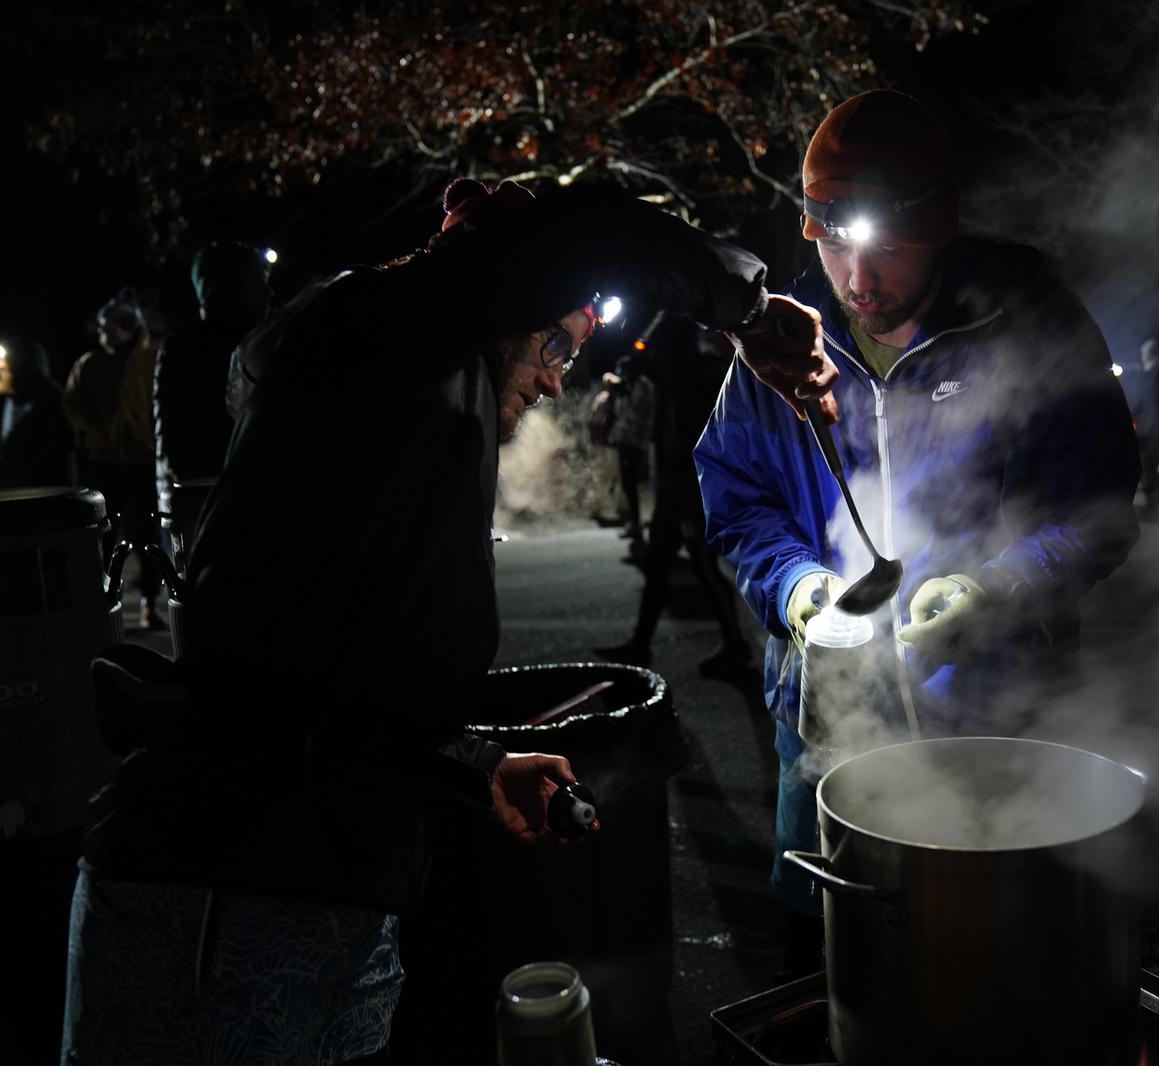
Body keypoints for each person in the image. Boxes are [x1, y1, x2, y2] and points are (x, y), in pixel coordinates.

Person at [62, 177, 836, 1066]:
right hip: (228, 894)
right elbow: (591, 225)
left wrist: (477, 767)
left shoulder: (403, 403)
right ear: (500, 291)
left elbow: (332, 683)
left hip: (317, 886)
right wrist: (745, 308)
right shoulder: (383, 326)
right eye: (557, 343)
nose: (555, 380)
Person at [693, 90, 1141, 971]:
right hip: (826, 734)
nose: (858, 282)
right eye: (833, 248)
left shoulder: (1028, 322)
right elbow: (738, 499)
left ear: (937, 228)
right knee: (838, 973)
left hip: (1002, 724)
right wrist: (798, 590)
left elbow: (1098, 507)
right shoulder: (783, 341)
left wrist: (1001, 587)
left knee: (1005, 975)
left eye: (888, 251)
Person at [597, 313, 753, 675]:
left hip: (692, 485)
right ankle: (642, 644)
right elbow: (634, 358)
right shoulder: (678, 371)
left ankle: (736, 644)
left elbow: (640, 355)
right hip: (676, 482)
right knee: (660, 562)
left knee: (701, 562)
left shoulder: (697, 373)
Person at [153, 241, 274, 533]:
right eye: (258, 282)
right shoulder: (192, 350)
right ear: (230, 287)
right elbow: (182, 449)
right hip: (216, 513)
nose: (269, 292)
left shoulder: (182, 347)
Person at [64, 287, 166, 628]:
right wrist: (92, 432)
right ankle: (105, 602)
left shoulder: (153, 359)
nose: (101, 332)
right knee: (105, 535)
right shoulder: (90, 364)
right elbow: (73, 404)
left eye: (107, 326)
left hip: (144, 461)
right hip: (106, 462)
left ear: (127, 326)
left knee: (149, 534)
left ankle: (150, 605)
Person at [589, 349, 656, 557]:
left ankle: (637, 525)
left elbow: (630, 415)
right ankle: (634, 522)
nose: (622, 376)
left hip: (635, 442)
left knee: (632, 483)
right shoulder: (630, 386)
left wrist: (619, 389)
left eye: (624, 372)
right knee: (628, 484)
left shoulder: (642, 385)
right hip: (626, 442)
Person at [0, 335, 75, 488]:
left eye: (4, 368)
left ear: (20, 367)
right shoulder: (8, 400)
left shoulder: (53, 401)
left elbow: (58, 452)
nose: (1, 373)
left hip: (43, 497)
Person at [1123, 337, 1159, 517]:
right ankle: (1154, 503)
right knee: (1148, 466)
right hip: (1148, 428)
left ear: (1148, 354)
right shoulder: (1152, 374)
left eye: (1143, 353)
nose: (1141, 356)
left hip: (1154, 428)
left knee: (1148, 465)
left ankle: (1154, 504)